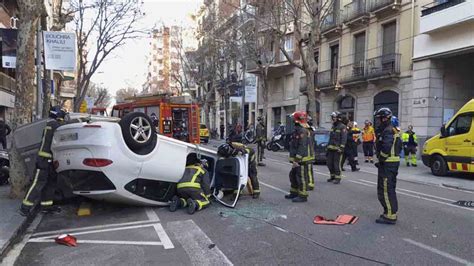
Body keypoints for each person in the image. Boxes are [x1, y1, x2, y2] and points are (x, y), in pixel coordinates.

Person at [20, 106, 67, 216]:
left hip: (50, 160)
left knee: (50, 183)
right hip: (44, 160)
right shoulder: (54, 124)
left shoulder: (50, 123)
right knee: (38, 183)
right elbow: (63, 128)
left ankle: (46, 205)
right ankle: (25, 207)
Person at [374, 107, 402, 224]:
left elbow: (386, 147)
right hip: (391, 163)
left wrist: (381, 159)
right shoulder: (392, 129)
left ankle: (390, 215)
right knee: (389, 189)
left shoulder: (388, 130)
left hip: (387, 164)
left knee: (386, 190)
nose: (378, 121)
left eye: (379, 119)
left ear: (385, 118)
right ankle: (389, 212)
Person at [285, 111, 312, 202]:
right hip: (297, 159)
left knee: (301, 177)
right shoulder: (297, 129)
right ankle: (294, 192)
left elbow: (302, 146)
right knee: (293, 175)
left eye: (293, 118)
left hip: (301, 159)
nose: (291, 120)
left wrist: (297, 159)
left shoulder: (302, 130)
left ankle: (303, 196)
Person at [326, 111, 347, 184]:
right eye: (332, 117)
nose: (333, 119)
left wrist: (341, 148)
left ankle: (338, 178)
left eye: (334, 117)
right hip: (330, 149)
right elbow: (331, 138)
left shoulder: (342, 126)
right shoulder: (333, 126)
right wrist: (327, 147)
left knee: (336, 164)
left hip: (338, 150)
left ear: (338, 118)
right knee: (329, 163)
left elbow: (344, 138)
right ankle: (332, 176)